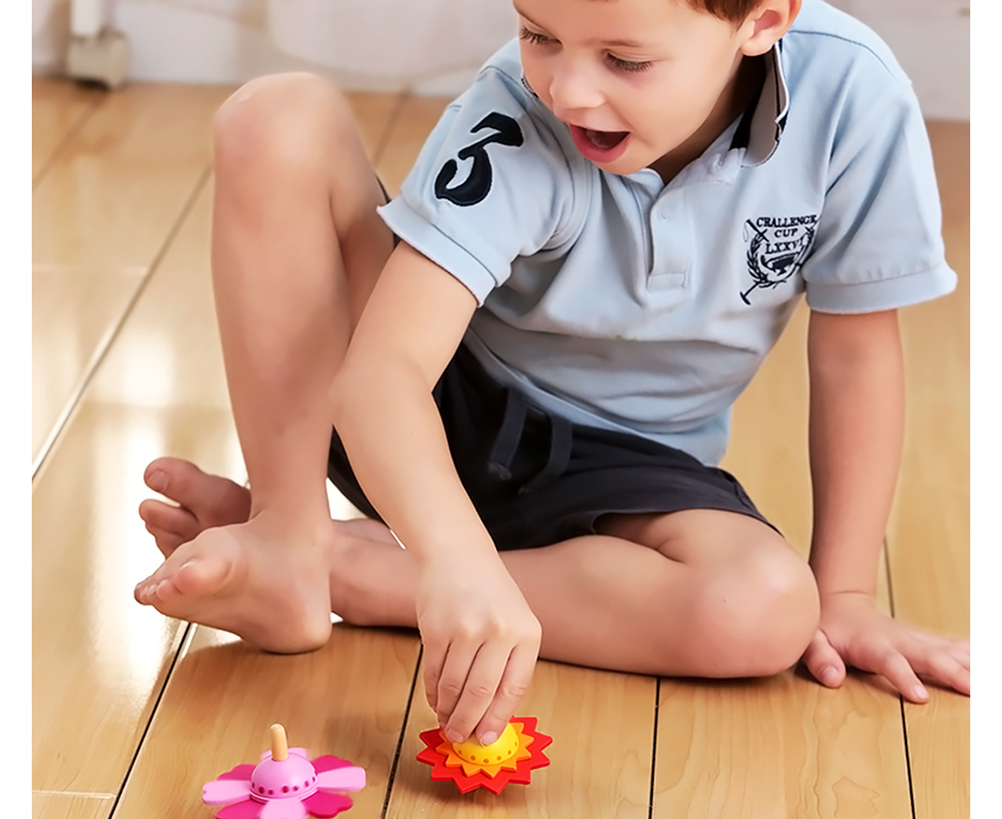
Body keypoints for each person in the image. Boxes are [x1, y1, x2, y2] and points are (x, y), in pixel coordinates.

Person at [134, 0, 970, 749]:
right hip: (427, 410)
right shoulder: (514, 113)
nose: (567, 91)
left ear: (763, 21)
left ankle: (339, 567)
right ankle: (288, 533)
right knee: (275, 116)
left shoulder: (852, 96)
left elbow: (856, 351)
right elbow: (380, 378)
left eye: (624, 60)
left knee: (764, 608)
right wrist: (454, 555)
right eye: (537, 33)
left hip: (631, 470)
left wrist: (845, 594)